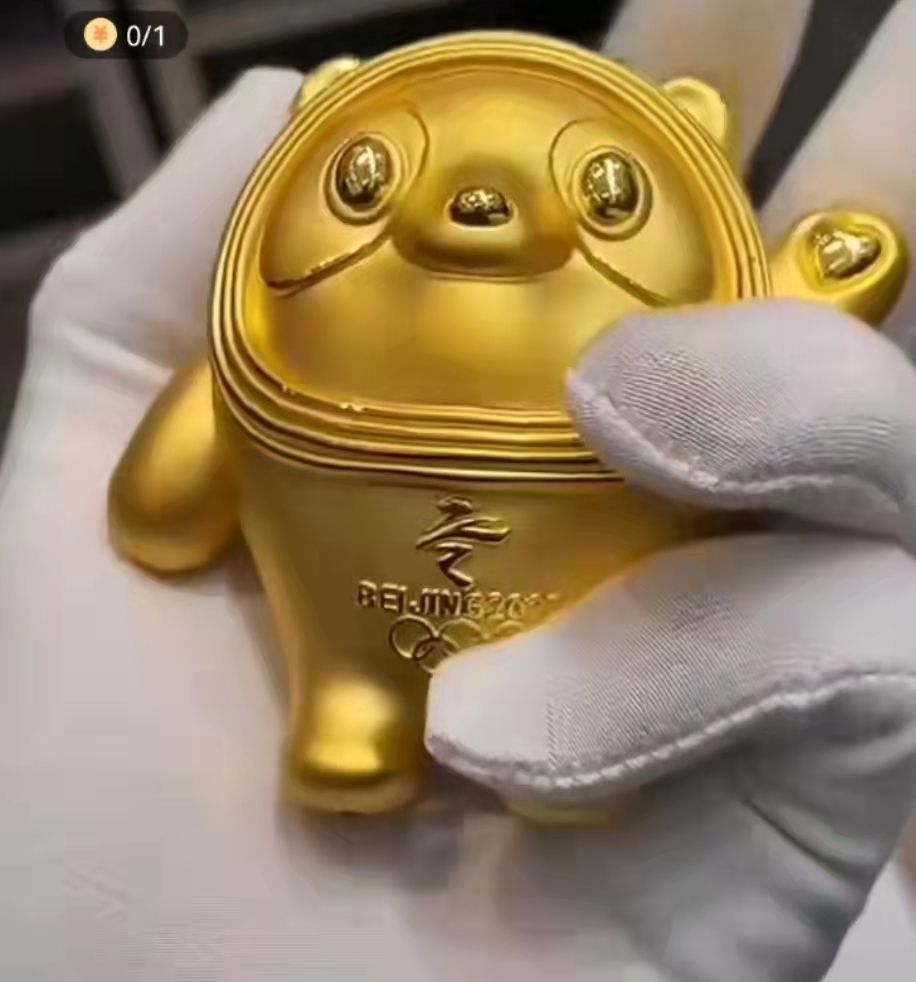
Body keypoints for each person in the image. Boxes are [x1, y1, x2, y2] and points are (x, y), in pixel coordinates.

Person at [2, 1, 916, 979]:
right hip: (328, 511)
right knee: (365, 699)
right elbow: (158, 516)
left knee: (722, 420)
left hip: (595, 566)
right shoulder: (251, 372)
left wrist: (796, 303)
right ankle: (355, 710)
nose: (480, 206)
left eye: (607, 192)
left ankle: (458, 733)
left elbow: (155, 515)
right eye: (365, 179)